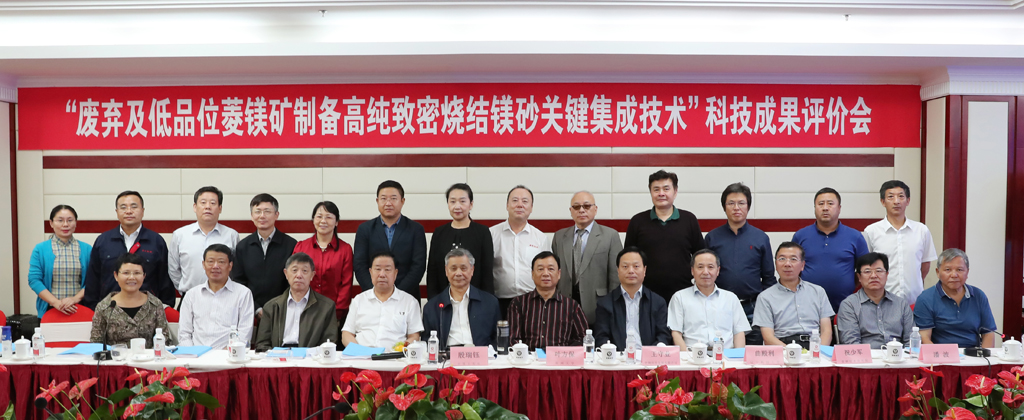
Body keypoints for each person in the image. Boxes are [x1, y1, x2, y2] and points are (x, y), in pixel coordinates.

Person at [704, 182, 776, 346]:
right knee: (721, 353)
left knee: (751, 355)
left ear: (748, 206)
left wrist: (764, 307)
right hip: (720, 306)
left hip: (752, 307)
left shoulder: (760, 238)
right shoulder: (712, 238)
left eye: (741, 203)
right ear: (724, 207)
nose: (736, 208)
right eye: (731, 203)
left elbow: (768, 278)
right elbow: (705, 274)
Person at [83, 191, 175, 309]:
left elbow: (165, 280)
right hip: (110, 309)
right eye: (123, 207)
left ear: (142, 211)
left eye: (134, 206)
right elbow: (93, 279)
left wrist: (165, 308)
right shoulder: (103, 241)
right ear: (117, 212)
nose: (129, 211)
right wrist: (93, 308)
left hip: (148, 311)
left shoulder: (156, 241)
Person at [624, 170, 706, 302]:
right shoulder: (637, 221)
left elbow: (700, 256)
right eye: (656, 189)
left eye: (666, 189)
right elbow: (628, 259)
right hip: (646, 296)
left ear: (675, 191)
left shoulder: (689, 220)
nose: (661, 193)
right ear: (650, 192)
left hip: (684, 294)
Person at [551, 191, 623, 324]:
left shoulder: (610, 236)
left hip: (598, 304)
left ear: (595, 209)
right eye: (576, 207)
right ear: (571, 211)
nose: (581, 210)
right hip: (564, 305)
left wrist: (613, 305)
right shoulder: (559, 236)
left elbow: (616, 276)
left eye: (587, 206)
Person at [792, 187, 868, 312]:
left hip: (845, 307)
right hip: (807, 307)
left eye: (830, 204)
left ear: (839, 208)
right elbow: (794, 269)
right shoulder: (800, 236)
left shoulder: (855, 236)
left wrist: (847, 283)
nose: (825, 208)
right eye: (821, 204)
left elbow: (865, 270)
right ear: (815, 208)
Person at [863, 180, 938, 305]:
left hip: (915, 302)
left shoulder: (921, 230)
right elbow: (866, 266)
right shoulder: (871, 231)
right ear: (883, 201)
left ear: (908, 201)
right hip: (882, 302)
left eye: (901, 196)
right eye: (890, 197)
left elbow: (925, 265)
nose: (896, 201)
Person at [354, 180, 427, 300]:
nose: (388, 203)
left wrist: (397, 294)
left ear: (402, 201)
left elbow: (418, 266)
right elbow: (360, 265)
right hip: (373, 298)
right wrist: (376, 293)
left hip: (407, 297)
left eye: (393, 198)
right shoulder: (365, 229)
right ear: (377, 201)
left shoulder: (416, 229)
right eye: (383, 199)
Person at [752, 242, 834, 349]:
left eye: (793, 259)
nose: (787, 264)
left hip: (814, 345)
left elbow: (826, 331)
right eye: (782, 259)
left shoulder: (818, 292)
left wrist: (818, 351)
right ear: (776, 264)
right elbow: (768, 337)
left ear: (802, 265)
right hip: (783, 347)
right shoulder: (765, 297)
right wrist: (791, 353)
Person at [254, 253, 339, 352]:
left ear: (312, 275)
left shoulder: (326, 307)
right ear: (286, 273)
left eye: (305, 271)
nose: (299, 275)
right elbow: (262, 344)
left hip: (310, 358)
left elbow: (328, 344)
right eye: (294, 270)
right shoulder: (271, 307)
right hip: (278, 358)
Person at [231, 193, 298, 319]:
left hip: (283, 311)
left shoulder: (291, 245)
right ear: (252, 216)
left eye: (267, 211)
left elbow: (292, 281)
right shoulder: (243, 247)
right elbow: (239, 282)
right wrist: (256, 308)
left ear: (276, 215)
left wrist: (278, 306)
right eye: (258, 211)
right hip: (249, 312)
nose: (262, 216)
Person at [169, 186, 240, 303]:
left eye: (213, 203)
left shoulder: (231, 235)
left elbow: (236, 268)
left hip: (224, 298)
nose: (208, 207)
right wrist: (185, 289)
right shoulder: (180, 235)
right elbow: (173, 269)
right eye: (203, 202)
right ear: (195, 207)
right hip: (190, 298)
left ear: (220, 208)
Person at [914, 248, 997, 348]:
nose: (954, 275)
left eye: (959, 270)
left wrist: (983, 355)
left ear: (967, 272)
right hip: (941, 354)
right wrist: (942, 356)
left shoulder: (978, 295)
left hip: (973, 353)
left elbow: (988, 333)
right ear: (938, 272)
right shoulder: (925, 298)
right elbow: (925, 338)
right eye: (948, 270)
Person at [593, 247, 672, 351]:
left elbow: (663, 335)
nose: (631, 271)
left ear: (644, 270)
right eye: (625, 266)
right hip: (618, 358)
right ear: (618, 270)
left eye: (636, 266)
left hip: (649, 357)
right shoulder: (605, 303)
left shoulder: (658, 302)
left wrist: (652, 353)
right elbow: (601, 337)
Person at [668, 249, 750, 349]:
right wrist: (686, 356)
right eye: (700, 267)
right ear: (692, 271)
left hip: (726, 354)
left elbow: (739, 333)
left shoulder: (731, 298)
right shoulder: (679, 297)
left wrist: (738, 356)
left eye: (710, 267)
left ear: (718, 270)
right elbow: (676, 333)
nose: (705, 272)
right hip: (692, 354)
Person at [90, 253, 175, 347]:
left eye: (137, 273)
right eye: (126, 273)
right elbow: (96, 344)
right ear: (116, 275)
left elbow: (164, 340)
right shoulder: (104, 306)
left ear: (144, 276)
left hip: (148, 356)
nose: (131, 277)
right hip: (115, 356)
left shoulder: (155, 304)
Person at [178, 244, 254, 349]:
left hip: (229, 355)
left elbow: (244, 334)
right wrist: (193, 353)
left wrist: (225, 353)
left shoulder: (243, 293)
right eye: (210, 261)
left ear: (230, 266)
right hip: (196, 355)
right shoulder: (192, 295)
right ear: (203, 265)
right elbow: (184, 333)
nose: (215, 266)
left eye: (221, 262)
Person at [508, 251, 588, 350]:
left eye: (551, 269)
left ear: (559, 274)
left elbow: (583, 339)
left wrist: (563, 352)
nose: (545, 274)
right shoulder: (518, 303)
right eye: (540, 269)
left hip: (559, 358)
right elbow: (512, 339)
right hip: (528, 358)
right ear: (532, 274)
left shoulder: (571, 306)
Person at [422, 248, 501, 348]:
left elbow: (498, 338)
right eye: (453, 268)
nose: (458, 273)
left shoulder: (489, 303)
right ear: (446, 271)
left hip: (480, 354)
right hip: (447, 355)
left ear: (472, 270)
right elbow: (427, 342)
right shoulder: (432, 307)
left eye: (463, 268)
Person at [342, 251, 423, 348]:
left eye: (387, 269)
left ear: (395, 273)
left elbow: (414, 336)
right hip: (361, 355)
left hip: (395, 356)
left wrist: (401, 350)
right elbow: (347, 333)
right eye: (378, 269)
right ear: (371, 272)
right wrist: (357, 351)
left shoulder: (410, 302)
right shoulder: (359, 300)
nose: (382, 274)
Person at [426, 183, 494, 298]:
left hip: (476, 298)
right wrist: (433, 300)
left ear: (471, 204)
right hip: (444, 298)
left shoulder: (482, 232)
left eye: (462, 201)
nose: (457, 206)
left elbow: (487, 271)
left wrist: (487, 301)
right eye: (452, 201)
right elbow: (433, 270)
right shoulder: (439, 232)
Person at [491, 185, 550, 318]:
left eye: (525, 201)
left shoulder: (540, 238)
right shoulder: (492, 234)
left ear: (531, 207)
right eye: (515, 200)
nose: (519, 205)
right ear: (507, 205)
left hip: (533, 302)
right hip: (499, 302)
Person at [293, 201, 354, 324]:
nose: (323, 221)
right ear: (313, 220)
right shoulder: (301, 247)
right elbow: (294, 280)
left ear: (336, 222)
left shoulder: (345, 249)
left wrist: (336, 313)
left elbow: (346, 285)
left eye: (329, 217)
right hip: (304, 313)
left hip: (334, 316)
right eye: (319, 216)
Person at [837, 252, 915, 348]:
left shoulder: (901, 304)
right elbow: (851, 344)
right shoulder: (849, 305)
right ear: (859, 277)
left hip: (897, 356)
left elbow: (911, 342)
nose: (873, 275)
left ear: (887, 275)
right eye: (867, 271)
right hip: (865, 356)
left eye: (879, 271)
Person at [28, 205, 92, 317]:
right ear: (51, 223)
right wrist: (56, 303)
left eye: (70, 220)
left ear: (76, 223)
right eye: (60, 220)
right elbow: (34, 280)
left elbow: (93, 281)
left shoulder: (87, 249)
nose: (65, 224)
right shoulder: (40, 249)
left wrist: (75, 299)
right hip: (49, 309)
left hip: (80, 308)